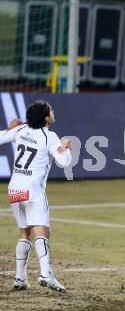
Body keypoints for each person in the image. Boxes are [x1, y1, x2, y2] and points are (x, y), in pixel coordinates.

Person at [0, 101, 72, 292]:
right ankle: (46, 274)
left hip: (15, 189)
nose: (53, 112)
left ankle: (20, 278)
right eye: (51, 110)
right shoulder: (50, 136)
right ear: (46, 118)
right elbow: (64, 162)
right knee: (42, 232)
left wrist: (8, 129)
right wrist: (66, 147)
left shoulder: (20, 129)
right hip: (33, 190)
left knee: (25, 233)